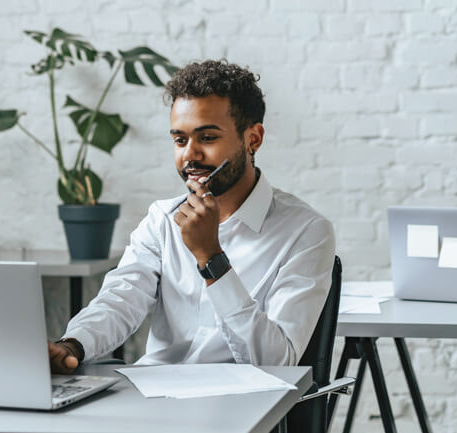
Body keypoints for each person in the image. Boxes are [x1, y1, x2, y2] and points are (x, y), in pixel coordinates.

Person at [48, 60, 336, 373]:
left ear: (253, 139)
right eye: (180, 140)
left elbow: (276, 361)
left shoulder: (306, 231)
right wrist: (72, 345)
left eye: (208, 138)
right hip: (155, 396)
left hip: (241, 408)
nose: (190, 155)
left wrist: (211, 258)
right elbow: (120, 300)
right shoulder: (162, 219)